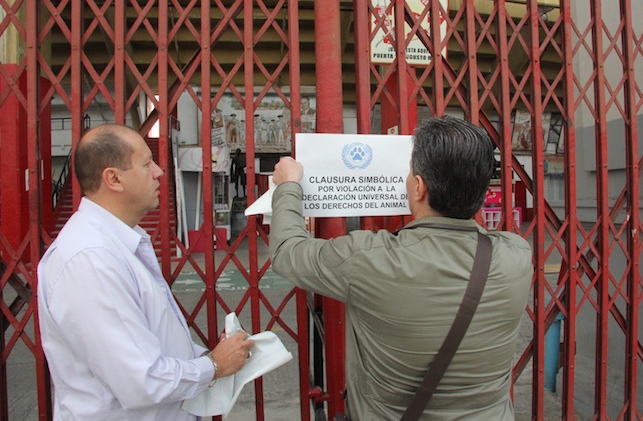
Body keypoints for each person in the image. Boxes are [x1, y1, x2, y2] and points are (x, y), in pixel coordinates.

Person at [269, 115, 532, 420]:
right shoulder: (517, 256)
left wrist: (288, 186)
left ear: (418, 187)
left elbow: (287, 251)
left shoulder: (370, 260)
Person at [38, 124, 254, 420]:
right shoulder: (91, 260)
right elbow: (141, 381)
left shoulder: (118, 243)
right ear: (114, 179)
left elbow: (146, 341)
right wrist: (214, 365)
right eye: (146, 163)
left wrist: (203, 357)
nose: (159, 172)